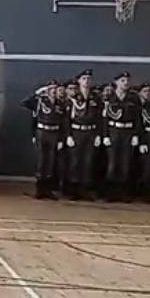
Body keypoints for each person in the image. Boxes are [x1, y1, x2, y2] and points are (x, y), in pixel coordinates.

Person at [103, 72, 142, 203]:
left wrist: (136, 134)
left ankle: (123, 193)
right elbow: (104, 118)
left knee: (125, 163)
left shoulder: (133, 98)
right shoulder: (109, 97)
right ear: (116, 82)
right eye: (122, 80)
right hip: (113, 130)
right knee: (112, 163)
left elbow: (138, 118)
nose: (125, 83)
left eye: (127, 80)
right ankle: (110, 193)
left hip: (128, 132)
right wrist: (105, 135)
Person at [22, 80, 64, 200]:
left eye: (55, 89)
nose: (53, 91)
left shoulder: (60, 103)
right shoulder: (40, 101)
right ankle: (40, 190)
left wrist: (61, 138)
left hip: (54, 133)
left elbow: (64, 122)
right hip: (42, 132)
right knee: (41, 161)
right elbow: (25, 103)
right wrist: (38, 93)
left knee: (51, 161)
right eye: (51, 89)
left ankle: (48, 190)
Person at [65, 70, 102, 201]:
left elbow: (99, 118)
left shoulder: (95, 98)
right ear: (79, 81)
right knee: (75, 162)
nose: (86, 81)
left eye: (88, 78)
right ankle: (73, 190)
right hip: (76, 132)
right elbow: (66, 119)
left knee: (88, 162)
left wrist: (98, 135)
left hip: (90, 132)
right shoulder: (73, 98)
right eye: (84, 78)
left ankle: (85, 189)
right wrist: (68, 135)